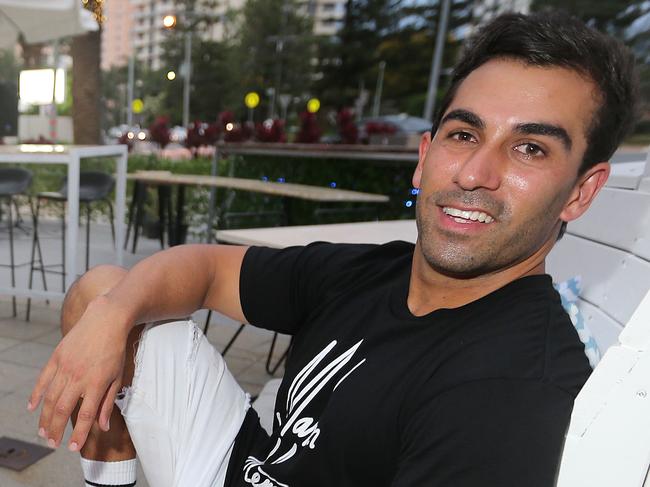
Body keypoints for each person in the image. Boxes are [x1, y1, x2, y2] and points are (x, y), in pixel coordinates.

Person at [29, 10, 638, 487]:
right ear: (425, 157)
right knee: (103, 292)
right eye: (464, 134)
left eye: (530, 148)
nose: (477, 171)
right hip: (243, 464)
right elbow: (209, 269)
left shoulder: (509, 393)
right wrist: (110, 318)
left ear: (580, 192)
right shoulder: (373, 272)